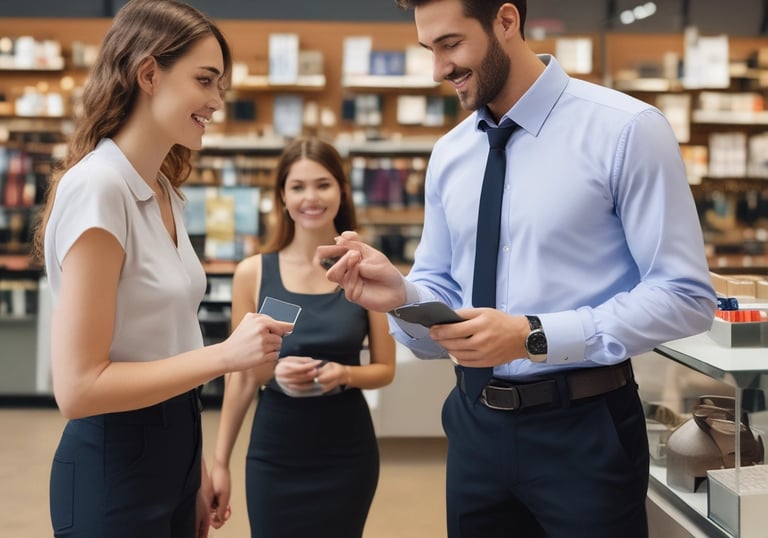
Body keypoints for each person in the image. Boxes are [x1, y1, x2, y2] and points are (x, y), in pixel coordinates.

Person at [317, 1, 717, 537]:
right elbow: (438, 301)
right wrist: (403, 295)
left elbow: (685, 295)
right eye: (428, 49)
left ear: (506, 21)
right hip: (474, 425)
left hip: (585, 432)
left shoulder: (626, 130)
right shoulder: (450, 154)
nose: (438, 70)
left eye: (451, 44)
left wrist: (533, 336)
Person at [34, 1, 294, 536]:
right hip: (114, 466)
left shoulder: (165, 192)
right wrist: (225, 356)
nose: (217, 102)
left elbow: (167, 342)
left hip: (173, 447)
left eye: (220, 85)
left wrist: (192, 465)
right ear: (149, 73)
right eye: (206, 80)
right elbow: (78, 389)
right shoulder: (99, 188)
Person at [210, 137, 396, 537]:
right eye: (297, 186)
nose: (311, 197)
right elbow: (242, 376)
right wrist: (220, 462)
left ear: (341, 190)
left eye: (323, 184)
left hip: (346, 453)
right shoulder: (253, 273)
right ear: (282, 196)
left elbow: (384, 369)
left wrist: (343, 374)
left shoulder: (368, 270)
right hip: (276, 451)